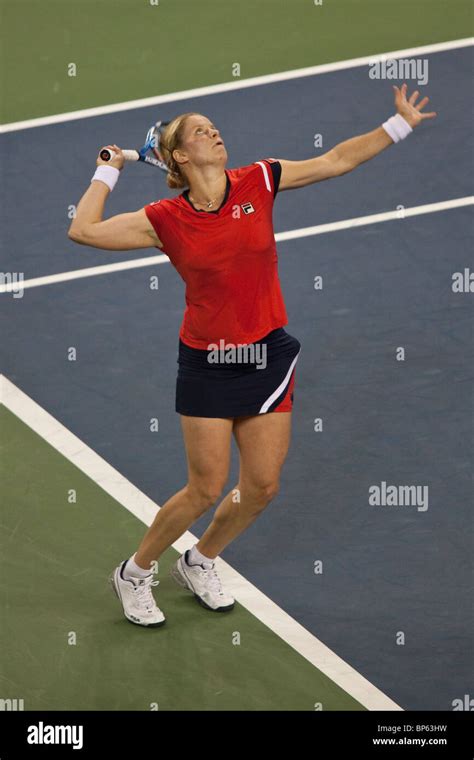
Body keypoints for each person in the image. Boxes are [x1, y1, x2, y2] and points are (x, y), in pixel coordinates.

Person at [68, 84, 436, 627]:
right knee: (205, 487)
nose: (214, 133)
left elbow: (334, 160)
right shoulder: (163, 219)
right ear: (180, 156)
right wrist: (108, 168)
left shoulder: (260, 179)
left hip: (267, 354)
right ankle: (135, 572)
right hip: (208, 361)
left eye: (213, 127)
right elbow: (83, 229)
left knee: (262, 485)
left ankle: (200, 561)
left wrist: (398, 124)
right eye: (200, 131)